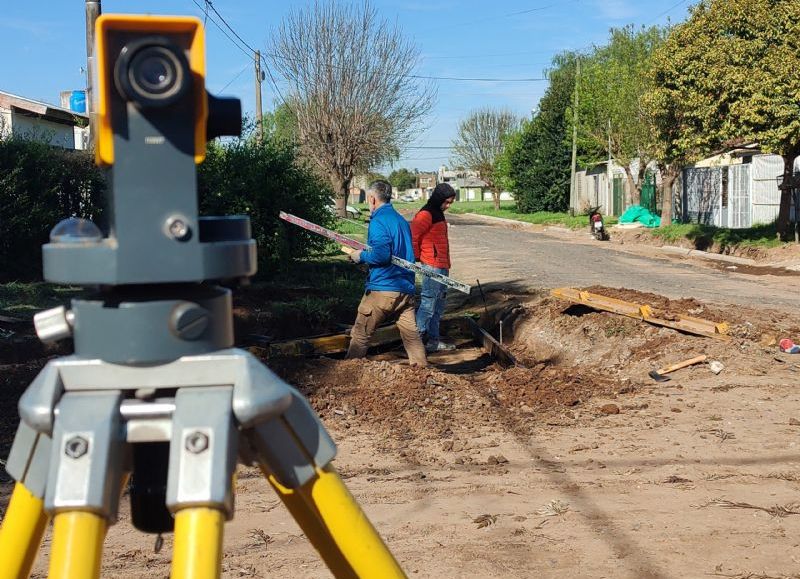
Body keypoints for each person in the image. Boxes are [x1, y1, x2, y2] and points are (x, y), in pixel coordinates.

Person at [345, 180, 427, 366]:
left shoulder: (379, 220)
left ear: (372, 199)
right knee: (412, 338)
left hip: (383, 289)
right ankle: (423, 375)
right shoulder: (401, 221)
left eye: (368, 199)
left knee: (360, 336)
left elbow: (382, 255)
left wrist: (360, 256)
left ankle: (348, 377)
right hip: (405, 290)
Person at [411, 182, 457, 353]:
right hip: (431, 265)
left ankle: (433, 341)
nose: (448, 206)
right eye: (447, 202)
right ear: (439, 198)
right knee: (428, 303)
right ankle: (416, 342)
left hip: (442, 265)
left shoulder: (438, 213)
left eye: (451, 202)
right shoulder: (426, 214)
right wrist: (416, 257)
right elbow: (414, 236)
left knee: (438, 305)